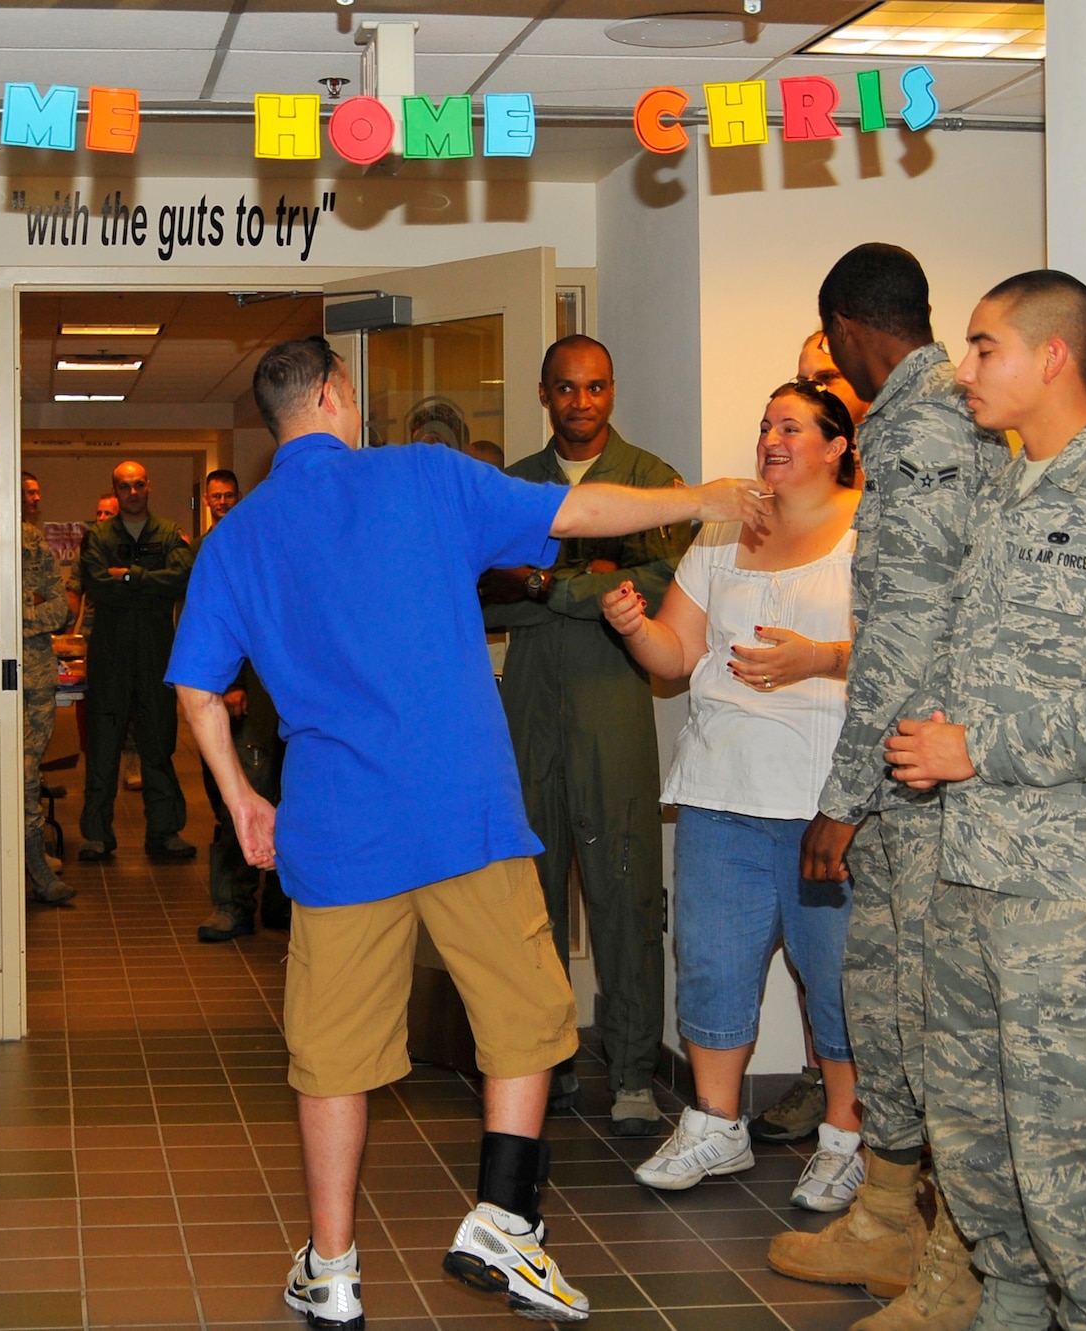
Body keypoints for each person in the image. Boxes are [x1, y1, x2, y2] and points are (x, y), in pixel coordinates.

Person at [169, 337, 771, 1328]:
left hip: (339, 829)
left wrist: (240, 799)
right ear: (335, 394)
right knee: (526, 1017)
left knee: (332, 1055)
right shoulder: (423, 476)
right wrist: (700, 497)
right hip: (463, 811)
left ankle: (332, 1268)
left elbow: (198, 689)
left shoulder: (237, 537)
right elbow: (576, 513)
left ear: (274, 422)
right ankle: (503, 1219)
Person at [884, 272, 1086, 1331]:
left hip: (1074, 893)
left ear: (1052, 355)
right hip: (973, 868)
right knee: (976, 1141)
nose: (962, 368)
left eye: (983, 348)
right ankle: (1010, 1306)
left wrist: (977, 747)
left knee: (1079, 1165)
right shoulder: (1006, 486)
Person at [768, 245, 1010, 1314]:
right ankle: (884, 1216)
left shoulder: (918, 431)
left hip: (922, 778)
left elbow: (903, 635)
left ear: (846, 330)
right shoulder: (927, 417)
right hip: (908, 774)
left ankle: (953, 1258)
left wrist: (841, 797)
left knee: (927, 1020)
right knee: (881, 1002)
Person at [600, 383, 865, 1212]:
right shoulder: (722, 530)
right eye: (765, 425)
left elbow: (905, 650)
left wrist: (816, 658)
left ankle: (846, 1139)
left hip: (826, 801)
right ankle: (716, 1123)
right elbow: (676, 655)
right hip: (721, 789)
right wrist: (633, 626)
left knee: (836, 974)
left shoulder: (871, 529)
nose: (770, 438)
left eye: (791, 426)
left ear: (837, 445)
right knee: (712, 959)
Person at [480, 334, 690, 1137]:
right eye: (566, 388)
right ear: (544, 394)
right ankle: (547, 1058)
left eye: (595, 386)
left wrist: (540, 582)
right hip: (529, 703)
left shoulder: (651, 482)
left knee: (624, 890)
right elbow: (483, 595)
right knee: (527, 896)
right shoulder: (512, 487)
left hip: (612, 702)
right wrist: (583, 587)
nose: (581, 401)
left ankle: (632, 1071)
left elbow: (656, 588)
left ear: (613, 390)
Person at [752, 330, 872, 1149]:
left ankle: (871, 1123)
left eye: (827, 377)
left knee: (861, 956)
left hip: (874, 769)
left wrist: (821, 658)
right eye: (801, 380)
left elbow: (912, 647)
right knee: (814, 950)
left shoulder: (889, 503)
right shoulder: (762, 517)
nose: (815, 388)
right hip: (784, 778)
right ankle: (821, 1079)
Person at [77, 460, 197, 861]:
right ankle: (97, 834)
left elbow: (180, 578)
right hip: (110, 655)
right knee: (103, 748)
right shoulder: (98, 537)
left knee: (159, 744)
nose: (132, 492)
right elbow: (98, 585)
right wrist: (150, 582)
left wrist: (129, 577)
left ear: (149, 487)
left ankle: (165, 830)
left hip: (156, 653)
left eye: (139, 485)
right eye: (125, 486)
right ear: (115, 490)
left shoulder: (169, 534)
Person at [190, 469, 289, 941]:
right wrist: (230, 683)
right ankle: (233, 903)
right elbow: (216, 624)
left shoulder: (291, 544)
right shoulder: (228, 548)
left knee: (293, 798)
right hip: (248, 692)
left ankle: (283, 900)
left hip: (293, 699)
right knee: (245, 792)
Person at [21, 471, 77, 905]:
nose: (32, 500)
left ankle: (35, 865)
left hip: (34, 678)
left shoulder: (32, 542)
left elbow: (61, 608)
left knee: (26, 774)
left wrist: (18, 621)